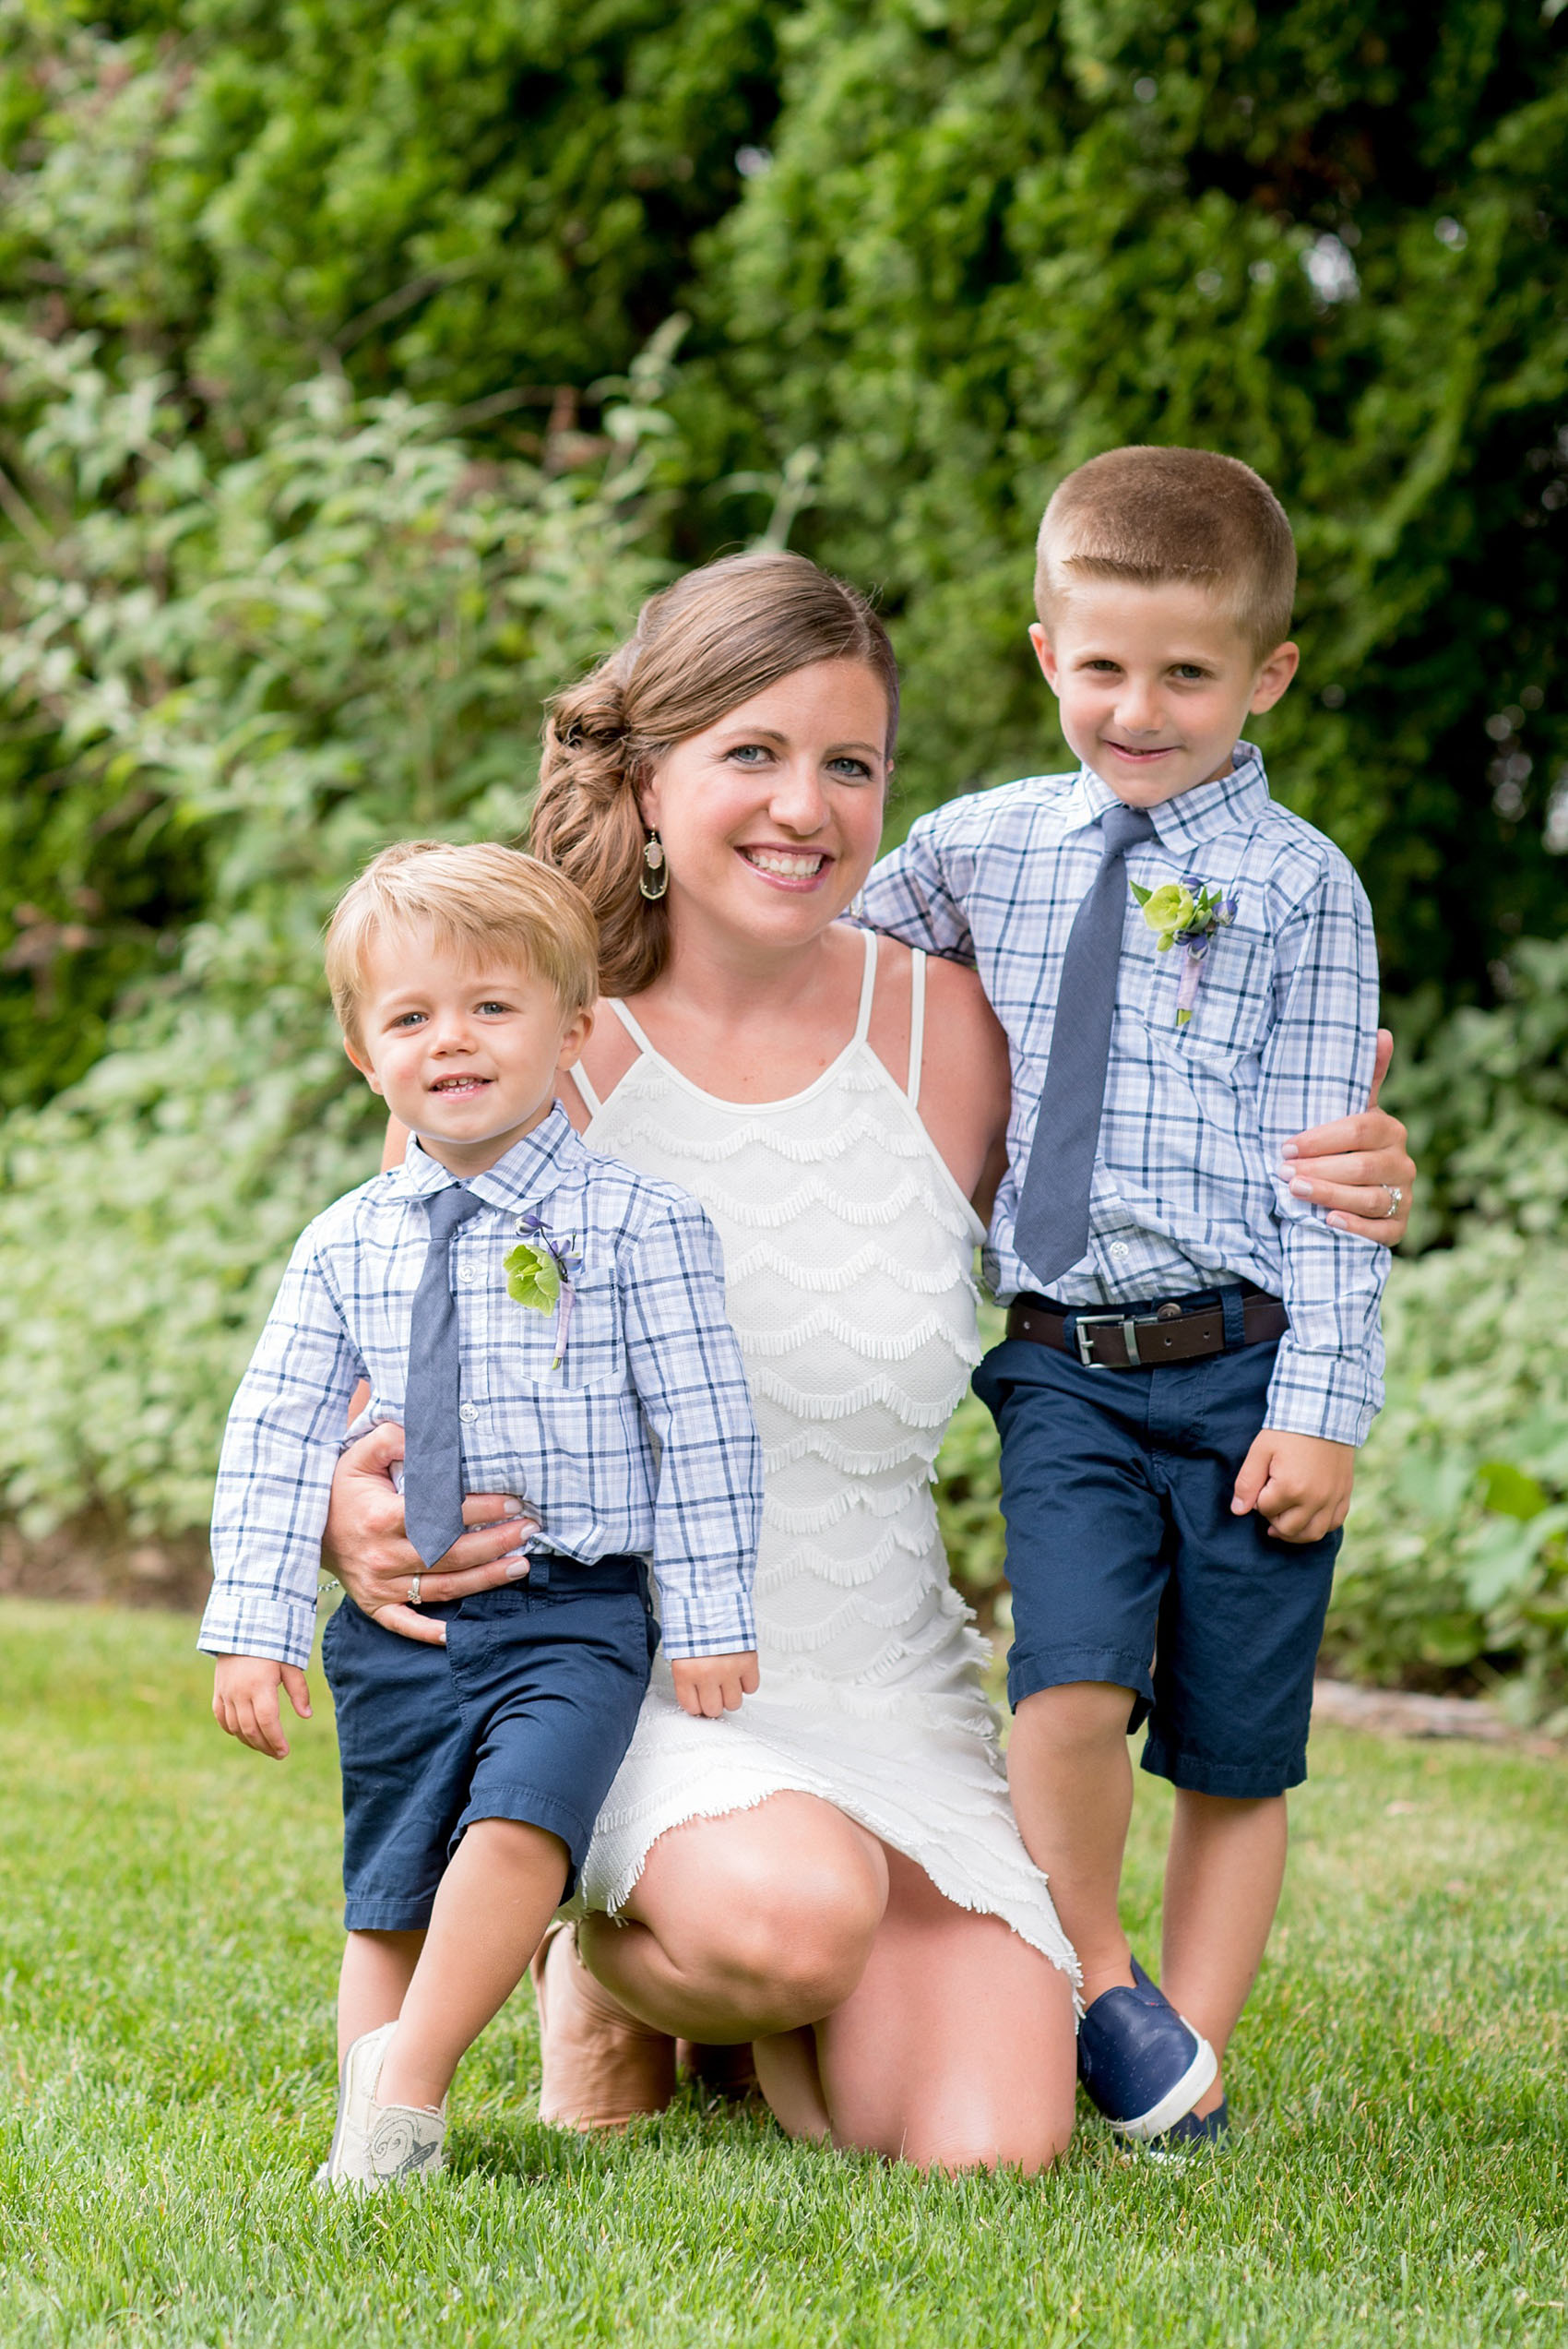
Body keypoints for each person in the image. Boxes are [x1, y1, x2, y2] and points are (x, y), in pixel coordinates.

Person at [319, 552, 1416, 2173]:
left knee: (989, 2140)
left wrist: (1355, 1169)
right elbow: (392, 1324)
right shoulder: (535, 1045)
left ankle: (772, 2005)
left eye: (851, 764)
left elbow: (1168, 1179)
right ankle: (607, 1959)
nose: (804, 808)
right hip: (646, 1666)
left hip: (888, 1672)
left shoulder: (955, 1028)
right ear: (648, 774)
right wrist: (349, 1501)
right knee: (789, 1914)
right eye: (751, 755)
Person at [862, 446, 1392, 2147]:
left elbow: (1331, 1177)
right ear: (1043, 653)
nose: (1139, 707)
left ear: (1268, 675)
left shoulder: (1308, 890)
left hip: (1243, 1360)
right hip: (1065, 1363)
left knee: (1238, 1747)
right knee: (1068, 1681)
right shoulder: (977, 848)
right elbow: (825, 970)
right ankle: (1103, 1980)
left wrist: (1325, 1405)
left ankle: (1190, 2056)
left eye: (1187, 672)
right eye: (1102, 666)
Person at [199, 841, 761, 2189]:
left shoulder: (640, 1225)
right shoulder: (343, 1243)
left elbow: (707, 1428)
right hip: (403, 1624)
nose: (452, 1039)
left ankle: (407, 2084)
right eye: (411, 1016)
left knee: (520, 1824)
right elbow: (276, 1430)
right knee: (389, 1882)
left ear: (571, 1029)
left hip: (572, 1609)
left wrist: (713, 1613)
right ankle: (373, 2137)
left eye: (491, 1007)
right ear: (362, 1049)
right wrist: (254, 1623)